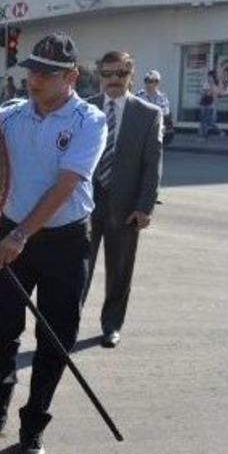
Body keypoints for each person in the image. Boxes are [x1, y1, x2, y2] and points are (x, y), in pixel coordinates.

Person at [0, 33, 107, 454]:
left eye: (46, 73)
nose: (33, 79)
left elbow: (66, 185)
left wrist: (22, 237)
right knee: (0, 322)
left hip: (64, 240)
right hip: (13, 230)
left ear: (70, 77)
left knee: (56, 336)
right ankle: (1, 383)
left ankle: (33, 424)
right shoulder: (11, 116)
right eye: (31, 70)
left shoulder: (90, 120)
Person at [83, 51, 162, 348]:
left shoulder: (147, 114)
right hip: (85, 206)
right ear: (99, 76)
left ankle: (111, 325)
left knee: (119, 272)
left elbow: (152, 165)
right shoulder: (84, 110)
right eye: (107, 74)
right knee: (77, 270)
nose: (113, 80)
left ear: (131, 74)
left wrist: (144, 207)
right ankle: (67, 325)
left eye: (120, 73)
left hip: (126, 208)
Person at [136, 69, 174, 146]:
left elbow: (165, 115)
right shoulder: (138, 96)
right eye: (146, 81)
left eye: (150, 81)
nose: (148, 84)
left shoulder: (163, 98)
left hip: (157, 132)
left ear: (157, 83)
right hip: (142, 132)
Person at [198, 69, 226, 139]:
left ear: (213, 78)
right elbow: (202, 93)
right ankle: (219, 132)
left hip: (210, 105)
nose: (209, 78)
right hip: (203, 104)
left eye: (211, 77)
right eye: (208, 77)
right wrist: (204, 93)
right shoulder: (205, 84)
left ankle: (203, 136)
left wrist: (214, 106)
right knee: (208, 121)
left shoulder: (215, 86)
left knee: (204, 121)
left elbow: (216, 96)